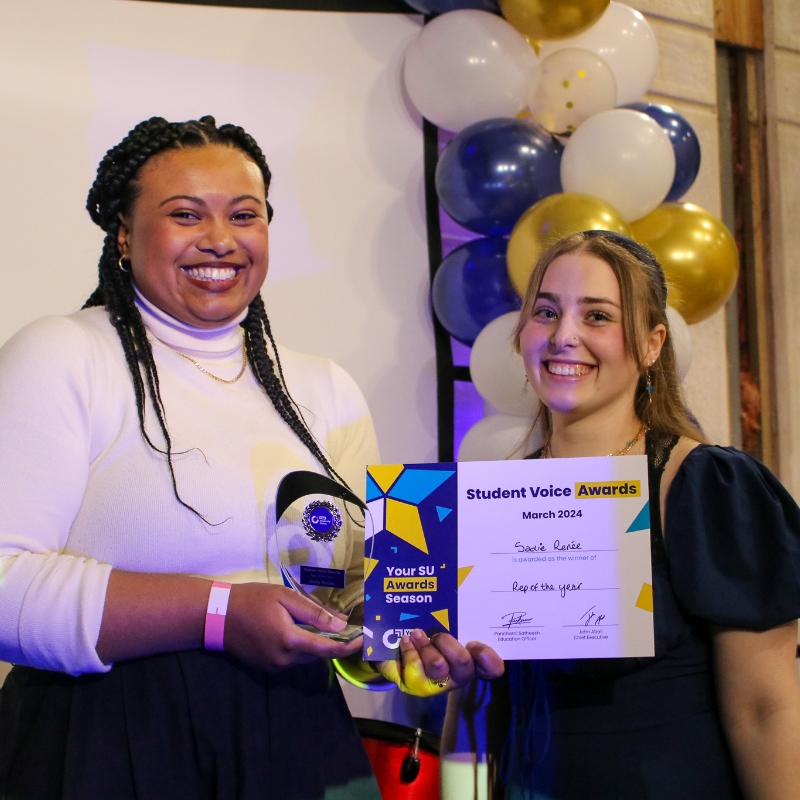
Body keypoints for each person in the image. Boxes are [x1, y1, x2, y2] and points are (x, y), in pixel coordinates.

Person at [0, 115, 501, 800]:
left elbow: (360, 612)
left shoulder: (323, 388)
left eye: (245, 214)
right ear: (122, 232)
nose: (220, 240)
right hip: (112, 741)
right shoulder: (64, 354)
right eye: (185, 214)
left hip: (299, 740)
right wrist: (216, 616)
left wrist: (414, 651)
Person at [441, 230, 800, 799]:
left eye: (598, 316)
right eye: (546, 311)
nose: (564, 336)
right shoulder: (493, 501)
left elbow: (766, 709)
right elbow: (478, 716)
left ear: (653, 342)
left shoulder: (705, 486)